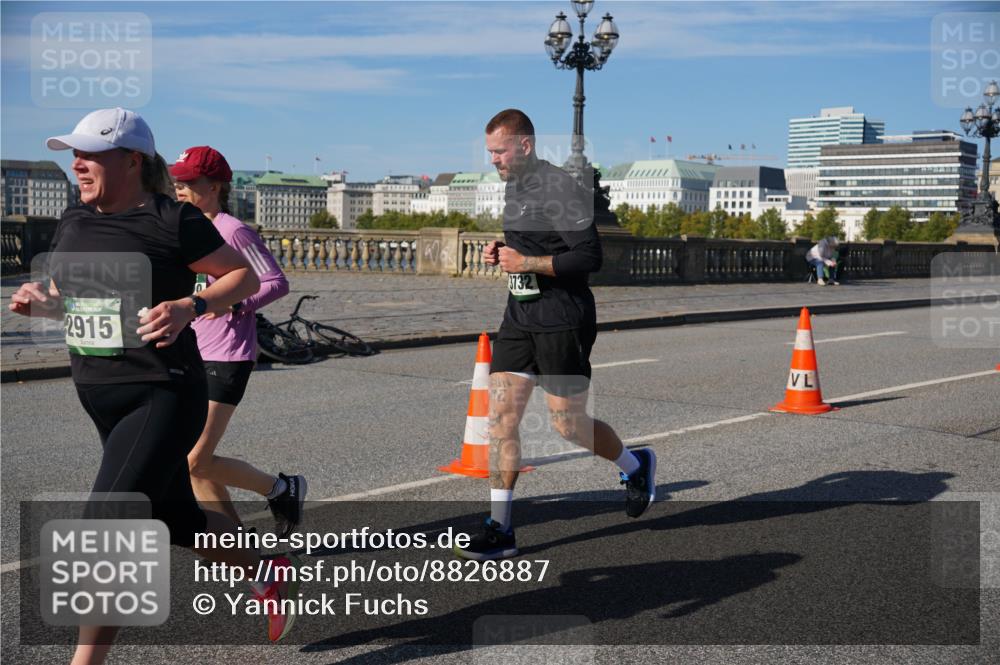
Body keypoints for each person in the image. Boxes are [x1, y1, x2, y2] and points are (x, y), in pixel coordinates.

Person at [9, 108, 300, 662]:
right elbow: (85, 301)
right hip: (102, 394)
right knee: (176, 517)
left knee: (108, 525)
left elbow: (242, 275)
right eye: (74, 153)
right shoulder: (75, 220)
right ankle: (264, 567)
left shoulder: (174, 219)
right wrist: (49, 306)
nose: (77, 163)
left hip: (162, 391)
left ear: (131, 160)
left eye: (89, 154)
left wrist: (192, 305)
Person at [453, 109, 657, 561]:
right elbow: (533, 245)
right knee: (501, 420)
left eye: (500, 151)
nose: (495, 160)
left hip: (563, 319)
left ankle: (634, 464)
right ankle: (499, 528)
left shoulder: (560, 186)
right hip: (519, 318)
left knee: (568, 425)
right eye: (490, 153)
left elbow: (589, 256)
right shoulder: (515, 185)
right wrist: (502, 253)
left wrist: (524, 263)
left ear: (525, 145)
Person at [169, 145, 305, 537]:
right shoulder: (186, 229)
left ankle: (280, 488)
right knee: (192, 459)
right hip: (190, 351)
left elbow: (276, 282)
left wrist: (236, 302)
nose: (180, 187)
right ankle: (234, 543)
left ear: (214, 187)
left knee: (195, 459)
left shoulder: (232, 230)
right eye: (177, 179)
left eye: (189, 181)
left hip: (228, 355)